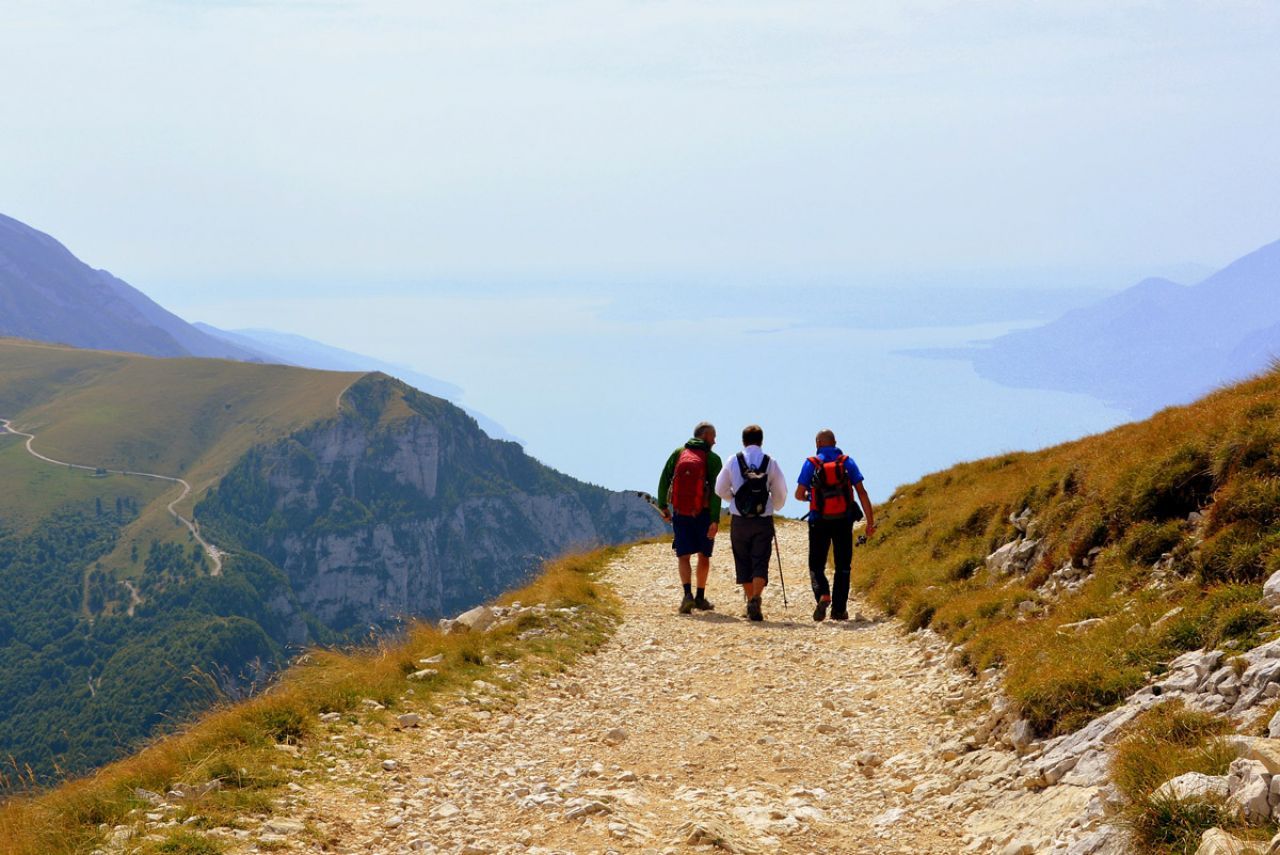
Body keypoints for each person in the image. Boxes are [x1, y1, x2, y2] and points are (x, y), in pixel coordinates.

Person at [794, 429, 876, 622]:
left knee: (816, 565)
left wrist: (811, 497)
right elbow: (862, 492)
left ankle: (823, 594)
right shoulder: (847, 462)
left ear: (817, 443)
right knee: (843, 566)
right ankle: (839, 610)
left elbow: (798, 494)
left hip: (818, 520)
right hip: (843, 520)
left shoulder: (812, 463)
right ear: (835, 442)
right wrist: (870, 522)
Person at [715, 424, 788, 622]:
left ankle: (750, 601)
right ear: (761, 441)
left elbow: (719, 488)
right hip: (762, 519)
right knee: (760, 559)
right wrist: (773, 506)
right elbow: (780, 492)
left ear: (743, 441)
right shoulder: (770, 462)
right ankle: (756, 598)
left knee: (743, 559)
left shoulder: (733, 460)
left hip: (739, 520)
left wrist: (735, 500)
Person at [657, 422, 723, 614]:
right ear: (704, 436)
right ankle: (700, 597)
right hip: (702, 514)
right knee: (704, 555)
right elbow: (717, 493)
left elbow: (664, 478)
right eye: (713, 437)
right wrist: (714, 520)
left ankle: (687, 595)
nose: (715, 441)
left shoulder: (678, 453)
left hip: (680, 512)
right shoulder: (712, 459)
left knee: (683, 556)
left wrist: (663, 506)